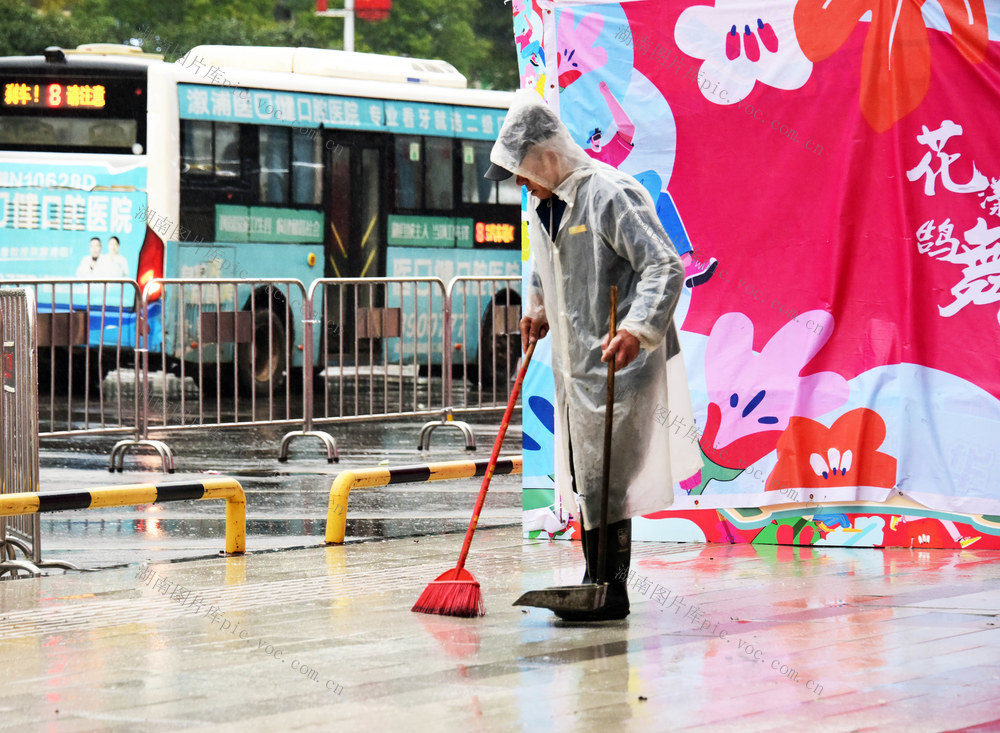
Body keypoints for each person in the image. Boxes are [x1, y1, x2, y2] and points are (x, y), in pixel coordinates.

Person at [486, 89, 702, 621]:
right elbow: (548, 271)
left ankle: (610, 588)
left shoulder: (609, 194)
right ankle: (596, 583)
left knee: (609, 476)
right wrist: (538, 309)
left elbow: (663, 265)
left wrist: (637, 330)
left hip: (621, 363)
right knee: (588, 477)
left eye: (522, 170)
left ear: (547, 156)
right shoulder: (546, 205)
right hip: (576, 366)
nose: (521, 184)